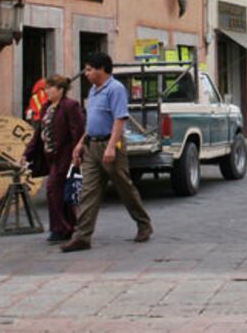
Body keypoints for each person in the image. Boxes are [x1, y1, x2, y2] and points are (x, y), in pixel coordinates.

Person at [61, 53, 151, 253]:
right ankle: (82, 237)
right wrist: (80, 143)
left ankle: (143, 223)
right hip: (92, 147)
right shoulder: (93, 91)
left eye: (89, 69)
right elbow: (92, 121)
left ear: (101, 69)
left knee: (124, 188)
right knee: (88, 191)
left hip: (111, 146)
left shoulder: (115, 89)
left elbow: (120, 119)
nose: (86, 73)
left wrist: (111, 146)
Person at [23, 75, 85, 241]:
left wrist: (77, 154)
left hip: (65, 156)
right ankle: (70, 226)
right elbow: (38, 134)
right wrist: (27, 154)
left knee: (52, 189)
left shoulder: (70, 106)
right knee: (62, 193)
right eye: (46, 88)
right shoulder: (46, 108)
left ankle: (59, 228)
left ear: (60, 89)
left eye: (50, 88)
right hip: (49, 157)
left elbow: (78, 131)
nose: (47, 91)